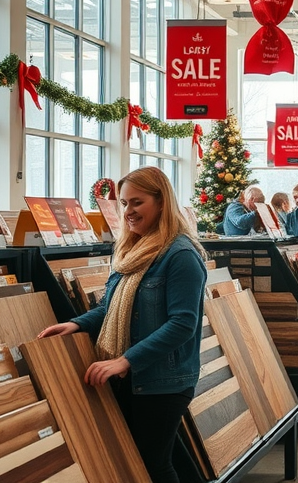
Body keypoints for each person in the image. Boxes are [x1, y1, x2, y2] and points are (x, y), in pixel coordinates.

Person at [38, 166, 207, 483]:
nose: (128, 211)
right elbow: (112, 307)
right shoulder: (131, 249)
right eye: (125, 203)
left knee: (153, 465)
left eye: (137, 202)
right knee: (142, 464)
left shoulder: (180, 254)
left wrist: (125, 360)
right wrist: (76, 325)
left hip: (163, 381)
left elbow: (183, 324)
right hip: (133, 377)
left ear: (161, 202)